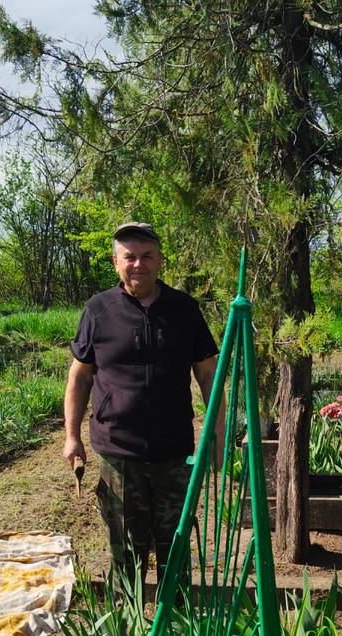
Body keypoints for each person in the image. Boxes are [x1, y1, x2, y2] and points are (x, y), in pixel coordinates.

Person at [63, 222, 221, 584]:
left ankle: (175, 623)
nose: (139, 264)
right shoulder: (98, 310)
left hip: (173, 452)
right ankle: (129, 622)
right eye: (130, 257)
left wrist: (217, 431)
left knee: (175, 548)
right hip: (118, 455)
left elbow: (208, 373)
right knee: (125, 552)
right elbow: (80, 376)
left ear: (160, 260)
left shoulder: (183, 309)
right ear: (115, 262)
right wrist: (71, 436)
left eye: (147, 256)